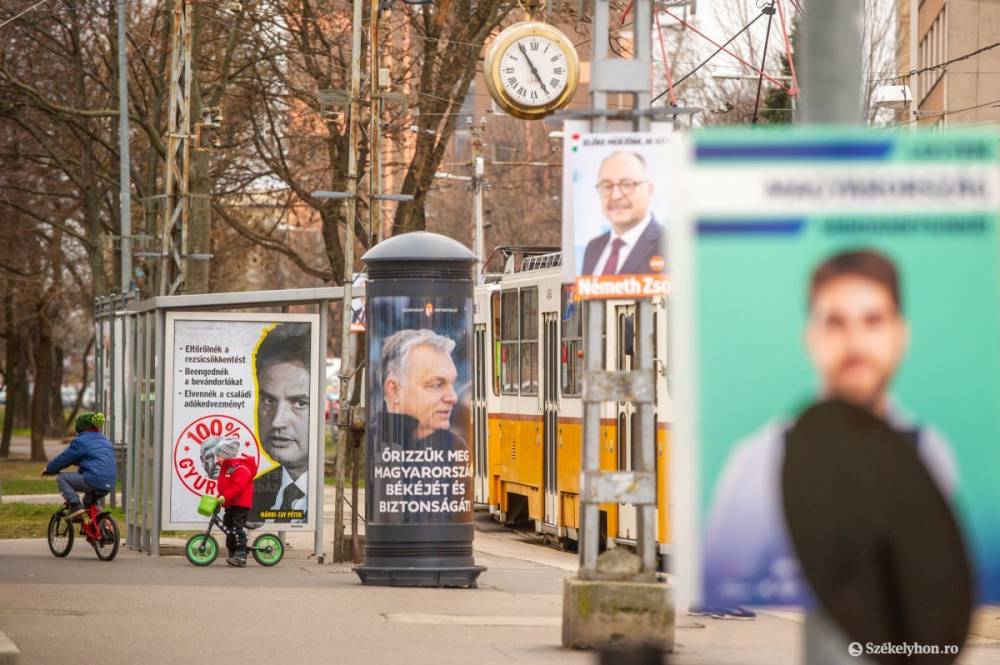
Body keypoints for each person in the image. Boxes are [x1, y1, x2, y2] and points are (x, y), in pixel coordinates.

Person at [703, 249, 958, 607]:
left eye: (873, 321)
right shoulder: (763, 458)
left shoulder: (929, 451)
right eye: (836, 322)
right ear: (810, 336)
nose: (855, 344)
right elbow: (719, 588)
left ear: (901, 335)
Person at [251, 322, 312, 521]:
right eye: (269, 400)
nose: (278, 422)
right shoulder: (254, 490)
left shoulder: (321, 500)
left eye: (300, 403)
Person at [580, 151, 666, 277]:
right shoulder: (593, 248)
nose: (616, 195)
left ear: (649, 190)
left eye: (627, 184)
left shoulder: (672, 246)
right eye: (607, 186)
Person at [378, 328, 463, 450]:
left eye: (452, 384)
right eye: (437, 385)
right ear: (394, 391)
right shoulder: (370, 445)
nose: (453, 397)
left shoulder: (457, 448)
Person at [43, 412, 116, 521]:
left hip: (94, 479)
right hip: (110, 481)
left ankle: (75, 505)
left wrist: (49, 469)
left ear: (80, 427)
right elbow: (95, 459)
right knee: (88, 502)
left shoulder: (81, 441)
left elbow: (65, 457)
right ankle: (102, 527)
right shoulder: (105, 440)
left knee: (62, 478)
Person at [215, 437, 258, 567]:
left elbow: (237, 488)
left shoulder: (241, 469)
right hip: (231, 504)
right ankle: (233, 552)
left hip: (240, 504)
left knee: (235, 528)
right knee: (228, 527)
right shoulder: (226, 468)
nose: (217, 459)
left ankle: (240, 555)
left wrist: (225, 498)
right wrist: (218, 499)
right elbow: (224, 488)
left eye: (220, 456)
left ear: (228, 455)